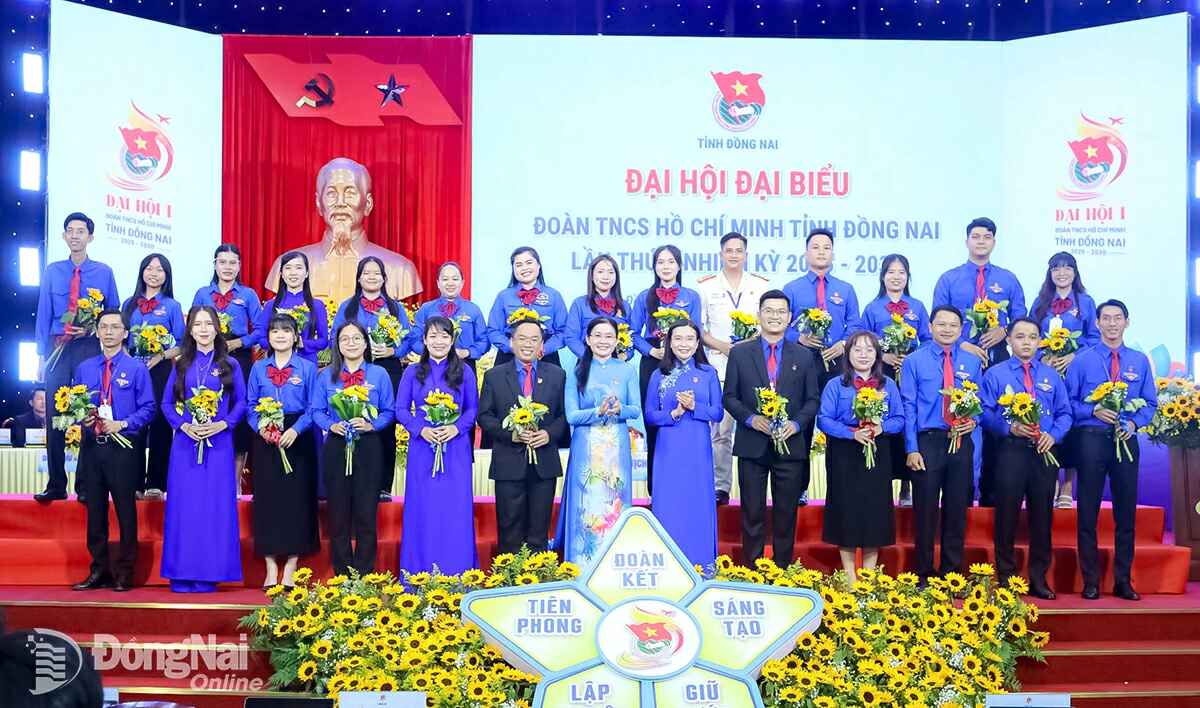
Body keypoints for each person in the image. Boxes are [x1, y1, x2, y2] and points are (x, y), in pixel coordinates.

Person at [1066, 299, 1158, 601]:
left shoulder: (1139, 361)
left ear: (1126, 322)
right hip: (1091, 440)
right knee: (1087, 512)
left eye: (1118, 318)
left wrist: (1133, 424)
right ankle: (1091, 581)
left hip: (1125, 440)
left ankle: (1123, 581)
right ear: (1097, 323)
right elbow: (1069, 403)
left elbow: (1150, 403)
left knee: (1125, 514)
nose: (1112, 323)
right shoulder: (1083, 359)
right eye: (1106, 318)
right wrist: (1093, 411)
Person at [932, 217, 1026, 507]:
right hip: (959, 359)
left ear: (994, 242)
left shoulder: (1008, 279)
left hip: (998, 360)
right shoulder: (949, 279)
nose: (981, 241)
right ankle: (962, 491)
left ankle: (991, 494)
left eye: (987, 236)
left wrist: (1004, 330)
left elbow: (1022, 318)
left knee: (995, 419)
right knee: (962, 419)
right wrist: (963, 344)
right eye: (976, 236)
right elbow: (937, 321)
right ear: (967, 241)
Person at [722, 290, 820, 566]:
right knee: (752, 512)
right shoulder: (740, 353)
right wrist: (751, 419)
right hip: (752, 445)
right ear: (759, 314)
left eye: (780, 312)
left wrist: (796, 424)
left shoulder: (804, 355)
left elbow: (813, 400)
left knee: (786, 514)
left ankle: (782, 569)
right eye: (769, 310)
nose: (774, 316)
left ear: (789, 318)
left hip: (790, 445)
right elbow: (729, 397)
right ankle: (752, 569)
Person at [981, 317, 1071, 599]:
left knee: (1042, 518)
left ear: (1039, 341)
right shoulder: (995, 374)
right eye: (1020, 337)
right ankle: (1007, 578)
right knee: (1006, 516)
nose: (1026, 342)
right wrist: (1009, 427)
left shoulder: (1051, 376)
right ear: (1009, 340)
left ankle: (1038, 579)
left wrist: (1053, 435)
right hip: (1010, 451)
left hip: (1044, 452)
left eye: (1032, 337)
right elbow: (984, 413)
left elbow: (1065, 413)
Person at [35, 212, 120, 504]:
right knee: (55, 416)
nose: (75, 235)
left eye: (80, 231)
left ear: (90, 237)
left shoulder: (104, 272)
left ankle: (86, 485)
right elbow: (43, 314)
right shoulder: (52, 271)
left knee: (88, 414)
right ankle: (56, 484)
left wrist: (95, 330)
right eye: (70, 230)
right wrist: (40, 357)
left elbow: (113, 312)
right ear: (64, 236)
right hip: (57, 348)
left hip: (88, 348)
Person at [161, 306, 246, 593]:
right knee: (184, 508)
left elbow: (241, 403)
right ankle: (181, 571)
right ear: (190, 330)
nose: (204, 329)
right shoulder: (181, 364)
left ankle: (210, 572)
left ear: (217, 328)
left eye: (208, 324)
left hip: (219, 444)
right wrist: (183, 425)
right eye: (197, 324)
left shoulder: (230, 364)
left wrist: (223, 424)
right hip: (185, 445)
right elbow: (166, 404)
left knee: (213, 508)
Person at [70, 310, 156, 592]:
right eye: (104, 327)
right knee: (95, 512)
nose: (109, 332)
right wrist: (81, 418)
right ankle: (98, 570)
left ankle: (125, 572)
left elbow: (149, 408)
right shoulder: (85, 368)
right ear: (97, 331)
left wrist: (123, 424)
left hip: (123, 450)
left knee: (125, 513)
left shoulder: (136, 368)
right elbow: (74, 404)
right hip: (93, 450)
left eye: (115, 327)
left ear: (125, 333)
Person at [900, 305, 984, 582]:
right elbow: (909, 407)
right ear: (931, 327)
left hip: (961, 440)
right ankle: (924, 572)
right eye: (941, 324)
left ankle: (951, 573)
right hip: (928, 442)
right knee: (925, 511)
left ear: (961, 329)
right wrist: (911, 448)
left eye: (953, 325)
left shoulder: (972, 362)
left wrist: (973, 421)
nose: (947, 329)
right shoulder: (914, 361)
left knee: (956, 509)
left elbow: (980, 403)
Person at [263, 157, 422, 303]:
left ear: (368, 204)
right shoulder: (286, 265)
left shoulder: (400, 270)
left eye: (350, 193)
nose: (340, 202)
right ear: (319, 204)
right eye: (331, 193)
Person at [555, 317, 643, 564]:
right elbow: (572, 416)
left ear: (616, 341)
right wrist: (598, 412)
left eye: (609, 336)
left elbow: (636, 410)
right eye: (598, 335)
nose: (603, 341)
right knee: (586, 501)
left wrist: (619, 410)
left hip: (616, 447)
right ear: (588, 339)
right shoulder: (576, 371)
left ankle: (614, 561)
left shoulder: (627, 370)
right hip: (586, 448)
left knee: (615, 500)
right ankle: (581, 563)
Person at [311, 321, 397, 577]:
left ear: (365, 343)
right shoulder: (326, 376)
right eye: (345, 339)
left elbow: (389, 411)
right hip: (337, 445)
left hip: (368, 445)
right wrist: (331, 425)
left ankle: (364, 573)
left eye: (356, 338)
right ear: (337, 345)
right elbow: (316, 410)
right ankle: (342, 574)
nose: (351, 343)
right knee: (338, 513)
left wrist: (371, 425)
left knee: (366, 512)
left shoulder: (379, 374)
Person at [783, 228, 861, 505]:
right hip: (801, 363)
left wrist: (843, 344)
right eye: (815, 247)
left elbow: (855, 324)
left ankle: (840, 489)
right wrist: (800, 338)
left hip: (837, 363)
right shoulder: (792, 288)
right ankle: (799, 488)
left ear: (833, 253)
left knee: (838, 422)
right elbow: (780, 325)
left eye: (826, 247)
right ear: (806, 253)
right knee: (802, 425)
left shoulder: (845, 289)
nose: (821, 252)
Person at [396, 317, 479, 574]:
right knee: (423, 509)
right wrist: (421, 429)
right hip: (423, 446)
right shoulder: (412, 372)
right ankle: (418, 572)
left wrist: (456, 428)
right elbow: (401, 409)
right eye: (432, 336)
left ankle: (458, 570)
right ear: (424, 340)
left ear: (452, 340)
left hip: (455, 447)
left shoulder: (465, 371)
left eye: (444, 336)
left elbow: (472, 409)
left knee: (455, 509)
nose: (438, 341)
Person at [818, 331, 903, 583]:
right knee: (846, 511)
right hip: (844, 454)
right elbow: (824, 419)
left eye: (869, 350)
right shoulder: (836, 385)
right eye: (857, 349)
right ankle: (849, 577)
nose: (863, 355)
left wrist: (881, 428)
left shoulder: (888, 385)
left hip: (877, 452)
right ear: (848, 354)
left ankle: (868, 576)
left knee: (874, 512)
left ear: (877, 355)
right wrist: (851, 433)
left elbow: (899, 418)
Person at [477, 318, 568, 555]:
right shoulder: (494, 376)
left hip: (544, 463)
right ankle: (509, 574)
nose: (528, 344)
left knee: (539, 529)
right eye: (522, 338)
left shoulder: (558, 375)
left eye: (534, 339)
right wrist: (512, 435)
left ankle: (537, 573)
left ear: (542, 345)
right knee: (509, 529)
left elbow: (565, 416)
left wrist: (548, 434)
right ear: (511, 342)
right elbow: (484, 417)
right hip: (508, 462)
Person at [696, 232, 770, 506]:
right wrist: (725, 347)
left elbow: (769, 324)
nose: (734, 255)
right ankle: (721, 487)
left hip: (754, 367)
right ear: (721, 254)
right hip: (719, 366)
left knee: (757, 427)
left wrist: (746, 347)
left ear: (746, 254)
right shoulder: (706, 286)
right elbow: (699, 329)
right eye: (729, 250)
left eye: (739, 250)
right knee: (720, 433)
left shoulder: (760, 285)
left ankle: (758, 489)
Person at [246, 315, 320, 588]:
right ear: (268, 337)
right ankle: (269, 565)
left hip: (297, 436)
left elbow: (314, 406)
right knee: (267, 499)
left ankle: (291, 564)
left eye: (286, 331)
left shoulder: (307, 367)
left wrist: (296, 430)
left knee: (296, 499)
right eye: (275, 331)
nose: (280, 335)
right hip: (265, 436)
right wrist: (262, 428)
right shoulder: (258, 368)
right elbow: (250, 405)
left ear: (296, 337)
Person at [645, 321, 723, 567]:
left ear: (698, 343)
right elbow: (649, 415)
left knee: (697, 502)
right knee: (669, 502)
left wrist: (694, 407)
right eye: (678, 339)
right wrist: (674, 413)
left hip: (697, 448)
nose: (684, 344)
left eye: (690, 339)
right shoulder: (659, 374)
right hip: (668, 448)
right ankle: (666, 564)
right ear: (669, 343)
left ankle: (701, 562)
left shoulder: (708, 373)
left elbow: (717, 413)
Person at [333, 256, 411, 501]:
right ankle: (352, 479)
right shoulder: (348, 307)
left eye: (376, 273)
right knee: (352, 420)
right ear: (358, 278)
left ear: (384, 278)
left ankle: (383, 485)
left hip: (388, 369)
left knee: (385, 425)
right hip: (353, 369)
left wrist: (392, 350)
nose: (371, 277)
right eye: (366, 273)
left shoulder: (395, 308)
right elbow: (335, 336)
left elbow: (408, 339)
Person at [1030, 251, 1100, 509]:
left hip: (1075, 372)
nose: (1061, 273)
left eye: (1067, 267)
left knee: (1072, 423)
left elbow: (1094, 338)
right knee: (1049, 420)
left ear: (1075, 272)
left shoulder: (1086, 302)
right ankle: (1051, 481)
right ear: (1050, 273)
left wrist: (1073, 356)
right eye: (1056, 268)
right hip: (1045, 373)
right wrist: (1042, 357)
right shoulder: (1040, 302)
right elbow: (1029, 334)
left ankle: (1068, 484)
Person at [629, 245, 702, 492]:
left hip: (683, 360)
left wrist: (678, 349)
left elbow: (696, 331)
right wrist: (652, 351)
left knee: (684, 418)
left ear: (679, 266)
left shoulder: (691, 296)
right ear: (654, 266)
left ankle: (685, 485)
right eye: (660, 262)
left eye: (671, 261)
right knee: (655, 423)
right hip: (653, 361)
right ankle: (655, 488)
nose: (666, 266)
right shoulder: (644, 297)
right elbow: (632, 333)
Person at [861, 254, 932, 508]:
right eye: (891, 272)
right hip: (881, 374)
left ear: (908, 277)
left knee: (909, 420)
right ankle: (882, 481)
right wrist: (884, 356)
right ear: (882, 276)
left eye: (901, 272)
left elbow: (927, 340)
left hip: (911, 374)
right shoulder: (873, 308)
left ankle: (907, 484)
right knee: (883, 421)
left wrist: (911, 358)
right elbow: (863, 341)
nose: (896, 277)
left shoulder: (917, 306)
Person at [121, 253, 186, 500]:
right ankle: (133, 482)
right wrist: (128, 360)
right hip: (133, 370)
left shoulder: (172, 306)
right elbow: (121, 338)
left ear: (167, 276)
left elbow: (182, 343)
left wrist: (161, 356)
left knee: (160, 422)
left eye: (160, 270)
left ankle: (156, 482)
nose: (154, 274)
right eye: (149, 268)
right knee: (134, 422)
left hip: (161, 369)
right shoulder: (129, 304)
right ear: (142, 272)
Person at [193, 244, 262, 466]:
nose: (228, 267)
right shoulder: (203, 293)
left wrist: (239, 342)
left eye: (233, 263)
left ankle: (237, 478)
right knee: (207, 404)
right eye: (222, 262)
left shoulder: (248, 294)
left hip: (239, 357)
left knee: (238, 411)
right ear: (215, 265)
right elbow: (192, 324)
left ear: (239, 266)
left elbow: (261, 330)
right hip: (206, 356)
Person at [487, 246, 568, 368]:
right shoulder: (504, 296)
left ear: (538, 266)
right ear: (513, 269)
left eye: (529, 263)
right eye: (519, 265)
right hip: (509, 356)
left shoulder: (553, 295)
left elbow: (563, 331)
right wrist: (511, 346)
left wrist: (544, 348)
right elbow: (493, 330)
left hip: (545, 356)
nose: (524, 268)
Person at [410, 261, 490, 369]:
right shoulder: (426, 309)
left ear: (462, 283)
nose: (450, 283)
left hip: (464, 365)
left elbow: (484, 340)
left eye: (455, 279)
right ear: (438, 283)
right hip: (432, 365)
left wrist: (467, 352)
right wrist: (432, 352)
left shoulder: (473, 310)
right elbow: (414, 339)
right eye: (445, 279)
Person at [254, 251, 329, 365]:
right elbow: (261, 338)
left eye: (298, 268)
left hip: (307, 364)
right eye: (288, 268)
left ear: (307, 273)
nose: (293, 273)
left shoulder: (317, 305)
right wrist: (279, 343)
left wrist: (303, 343)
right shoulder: (271, 305)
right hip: (277, 364)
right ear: (281, 274)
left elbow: (323, 341)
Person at [564, 255, 631, 359]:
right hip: (587, 361)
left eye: (611, 272)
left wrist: (625, 356)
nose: (606, 277)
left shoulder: (625, 306)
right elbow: (571, 337)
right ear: (591, 275)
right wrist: (590, 358)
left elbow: (632, 336)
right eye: (600, 272)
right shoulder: (579, 304)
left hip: (617, 362)